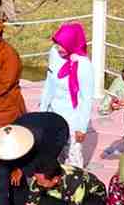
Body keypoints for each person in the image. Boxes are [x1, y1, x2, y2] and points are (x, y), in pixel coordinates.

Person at [0, 111, 71, 205]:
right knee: (12, 176)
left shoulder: (39, 140)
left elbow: (41, 160)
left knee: (44, 176)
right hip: (28, 126)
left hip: (55, 131)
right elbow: (1, 184)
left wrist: (22, 170)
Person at [39, 22, 94, 167]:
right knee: (52, 155)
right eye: (57, 44)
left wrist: (81, 127)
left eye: (62, 45)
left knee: (72, 158)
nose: (58, 48)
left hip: (72, 118)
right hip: (53, 114)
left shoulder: (83, 65)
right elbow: (49, 83)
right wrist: (43, 111)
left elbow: (86, 99)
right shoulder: (54, 53)